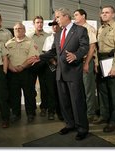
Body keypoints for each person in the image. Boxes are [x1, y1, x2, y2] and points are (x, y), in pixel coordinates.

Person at [32, 8, 89, 140]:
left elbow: (85, 47)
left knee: (77, 101)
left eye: (57, 17)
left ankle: (82, 128)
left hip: (73, 72)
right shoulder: (58, 34)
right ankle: (70, 124)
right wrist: (40, 58)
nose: (56, 20)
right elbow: (53, 51)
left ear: (66, 16)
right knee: (64, 102)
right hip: (60, 73)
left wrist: (76, 55)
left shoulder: (80, 30)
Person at [93, 6, 115, 133]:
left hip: (112, 61)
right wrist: (96, 63)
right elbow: (96, 48)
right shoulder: (101, 28)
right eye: (102, 12)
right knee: (103, 92)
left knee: (114, 94)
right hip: (102, 61)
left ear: (113, 14)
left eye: (107, 12)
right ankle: (104, 115)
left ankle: (114, 121)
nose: (104, 14)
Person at [5, 22, 39, 123]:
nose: (18, 30)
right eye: (15, 29)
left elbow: (33, 57)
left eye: (20, 28)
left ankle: (30, 113)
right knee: (14, 94)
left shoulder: (30, 42)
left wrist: (22, 66)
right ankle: (16, 113)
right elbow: (5, 58)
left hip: (27, 72)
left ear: (24, 30)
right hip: (12, 72)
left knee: (29, 94)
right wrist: (11, 68)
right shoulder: (8, 43)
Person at [73, 9, 98, 123]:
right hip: (77, 63)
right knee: (80, 89)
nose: (75, 17)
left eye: (76, 15)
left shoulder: (89, 29)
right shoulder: (76, 29)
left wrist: (87, 63)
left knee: (88, 89)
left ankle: (90, 114)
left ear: (83, 16)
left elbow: (92, 48)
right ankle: (82, 112)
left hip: (86, 62)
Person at [42, 20, 63, 120]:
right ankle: (51, 111)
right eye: (53, 26)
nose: (54, 27)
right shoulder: (48, 39)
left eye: (56, 25)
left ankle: (61, 112)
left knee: (61, 91)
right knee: (50, 90)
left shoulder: (65, 37)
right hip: (51, 67)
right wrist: (54, 62)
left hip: (63, 67)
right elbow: (46, 52)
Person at [29, 16, 50, 117]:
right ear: (34, 24)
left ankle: (44, 107)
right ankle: (32, 108)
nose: (40, 24)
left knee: (44, 87)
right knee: (30, 87)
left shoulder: (48, 36)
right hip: (32, 64)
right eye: (37, 22)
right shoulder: (28, 37)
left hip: (44, 64)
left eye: (41, 22)